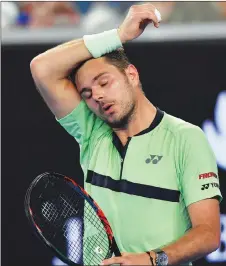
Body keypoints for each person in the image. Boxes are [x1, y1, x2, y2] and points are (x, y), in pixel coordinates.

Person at [30, 3, 222, 266]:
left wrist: (151, 259)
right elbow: (42, 67)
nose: (96, 95)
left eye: (104, 82)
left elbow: (209, 234)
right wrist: (118, 35)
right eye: (86, 93)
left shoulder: (186, 138)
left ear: (131, 74)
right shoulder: (91, 132)